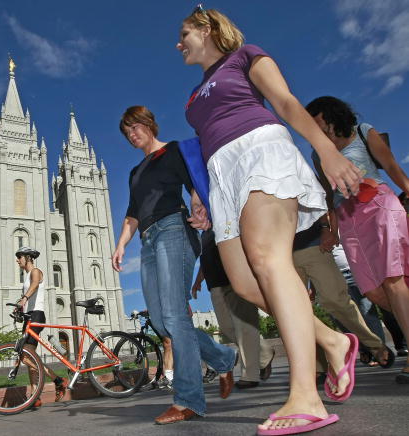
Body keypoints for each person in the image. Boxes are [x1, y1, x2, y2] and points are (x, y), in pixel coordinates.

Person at [176, 6, 362, 435]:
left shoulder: (246, 56)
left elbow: (285, 102)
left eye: (184, 33)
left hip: (259, 150)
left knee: (268, 259)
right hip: (222, 177)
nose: (178, 42)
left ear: (206, 29)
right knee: (242, 282)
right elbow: (205, 148)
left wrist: (327, 151)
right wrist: (199, 196)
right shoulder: (192, 97)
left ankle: (305, 396)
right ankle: (333, 341)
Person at [112, 105, 237, 425]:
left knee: (175, 316)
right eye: (127, 133)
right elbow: (132, 212)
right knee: (162, 321)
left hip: (174, 230)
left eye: (135, 127)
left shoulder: (176, 150)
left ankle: (188, 400)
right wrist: (121, 244)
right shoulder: (135, 173)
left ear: (149, 124)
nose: (132, 134)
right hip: (148, 240)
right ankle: (223, 357)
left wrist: (199, 205)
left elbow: (195, 182)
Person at [306, 96, 409, 384]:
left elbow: (391, 166)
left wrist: (408, 190)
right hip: (348, 218)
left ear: (328, 114)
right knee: (373, 291)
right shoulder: (319, 154)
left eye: (315, 118)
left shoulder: (363, 131)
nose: (312, 125)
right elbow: (329, 194)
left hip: (378, 204)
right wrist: (331, 228)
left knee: (393, 279)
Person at [292, 216, 394, 372]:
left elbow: (324, 199)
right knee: (295, 312)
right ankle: (317, 366)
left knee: (335, 301)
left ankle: (373, 344)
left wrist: (327, 229)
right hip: (282, 253)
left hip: (313, 244)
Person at [192, 230, 276, 389]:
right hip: (214, 284)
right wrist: (198, 281)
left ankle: (250, 375)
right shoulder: (204, 235)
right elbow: (205, 261)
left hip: (235, 277)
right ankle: (265, 353)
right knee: (226, 327)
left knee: (244, 326)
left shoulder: (225, 221)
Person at [15, 247, 68, 407]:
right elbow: (30, 291)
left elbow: (35, 285)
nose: (17, 260)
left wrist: (24, 298)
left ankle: (58, 380)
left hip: (37, 315)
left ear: (28, 258)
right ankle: (35, 395)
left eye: (19, 257)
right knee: (29, 356)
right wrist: (19, 306)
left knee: (25, 355)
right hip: (30, 316)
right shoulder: (26, 277)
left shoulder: (35, 271)